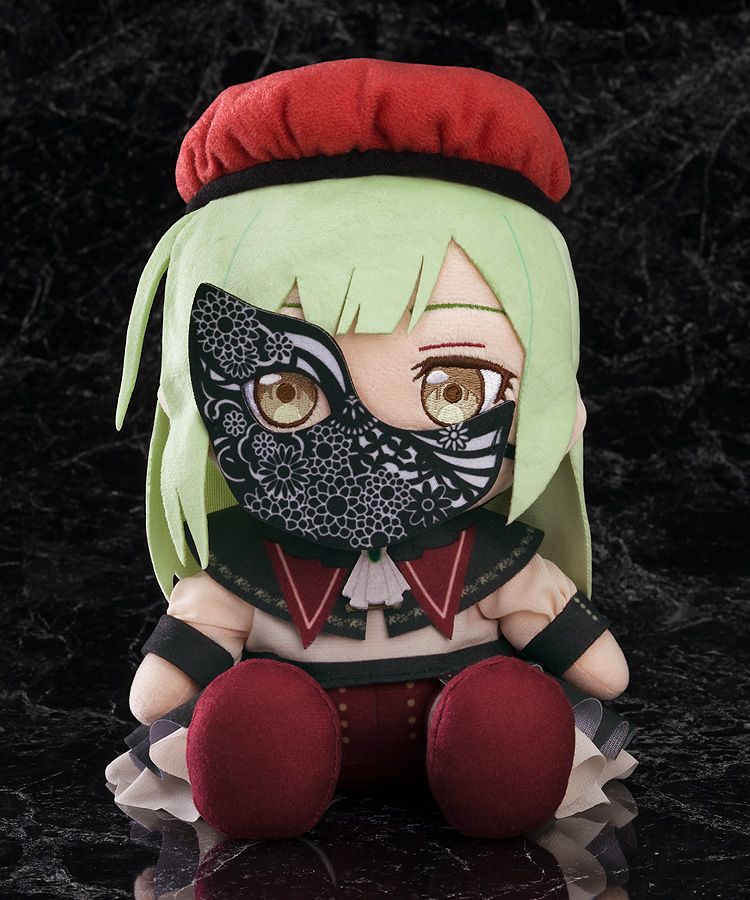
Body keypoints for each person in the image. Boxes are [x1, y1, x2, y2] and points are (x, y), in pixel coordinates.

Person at [106, 58, 636, 840]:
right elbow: (158, 694)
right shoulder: (245, 568)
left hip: (464, 726)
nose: (370, 452)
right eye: (283, 393)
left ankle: (495, 753)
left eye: (455, 389)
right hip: (289, 728)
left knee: (509, 716)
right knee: (259, 717)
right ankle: (264, 758)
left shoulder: (491, 564)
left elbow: (600, 670)